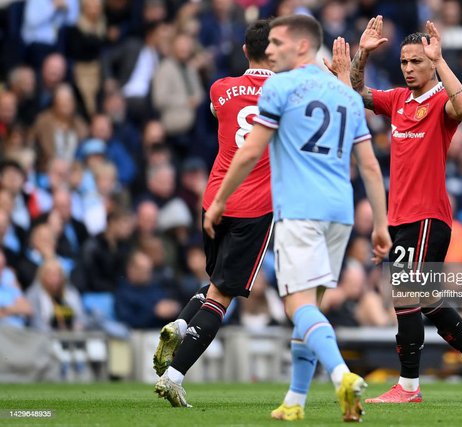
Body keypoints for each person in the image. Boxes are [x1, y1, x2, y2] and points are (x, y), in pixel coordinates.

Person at [206, 15, 391, 422]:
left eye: (277, 43)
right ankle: (295, 400)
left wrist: (219, 200)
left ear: (302, 46)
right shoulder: (345, 96)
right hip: (340, 215)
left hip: (300, 212)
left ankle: (343, 375)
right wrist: (380, 225)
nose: (269, 51)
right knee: (313, 310)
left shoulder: (280, 87)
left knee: (297, 307)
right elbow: (371, 168)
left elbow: (251, 151)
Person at [332, 16, 462, 403]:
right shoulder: (398, 101)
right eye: (405, 62)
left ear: (429, 63)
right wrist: (361, 55)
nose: (409, 68)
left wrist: (440, 60)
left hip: (428, 215)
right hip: (400, 217)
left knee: (407, 296)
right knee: (423, 301)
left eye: (416, 62)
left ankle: (409, 387)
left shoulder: (440, 99)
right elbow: (355, 93)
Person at [153, 20, 275, 407]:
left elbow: (217, 110)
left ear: (244, 51)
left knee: (217, 282)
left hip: (214, 200)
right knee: (223, 296)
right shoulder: (284, 93)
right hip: (254, 206)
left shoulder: (220, 88)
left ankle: (180, 322)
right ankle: (174, 377)